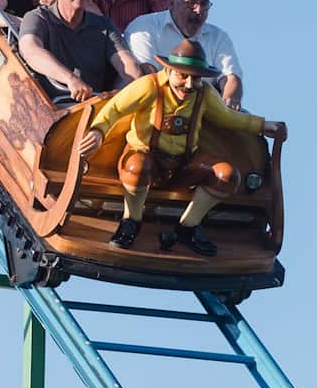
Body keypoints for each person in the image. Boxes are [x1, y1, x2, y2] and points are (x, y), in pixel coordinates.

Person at [78, 39, 285, 255]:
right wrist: (98, 131)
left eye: (195, 78)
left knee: (227, 175)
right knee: (137, 167)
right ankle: (131, 222)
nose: (188, 84)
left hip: (183, 165)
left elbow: (227, 117)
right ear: (168, 70)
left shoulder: (204, 94)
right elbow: (115, 109)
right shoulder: (149, 86)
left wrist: (262, 125)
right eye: (182, 75)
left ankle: (188, 226)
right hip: (145, 158)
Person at [18, 0, 142, 102]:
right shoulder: (38, 18)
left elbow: (127, 63)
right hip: (53, 110)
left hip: (96, 110)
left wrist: (132, 86)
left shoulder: (104, 25)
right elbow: (31, 51)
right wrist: (70, 79)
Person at [125, 0, 245, 109]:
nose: (199, 10)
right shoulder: (144, 27)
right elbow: (147, 75)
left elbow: (231, 77)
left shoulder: (217, 37)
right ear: (171, 2)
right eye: (191, 3)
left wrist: (228, 103)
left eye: (204, 4)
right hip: (151, 109)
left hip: (202, 112)